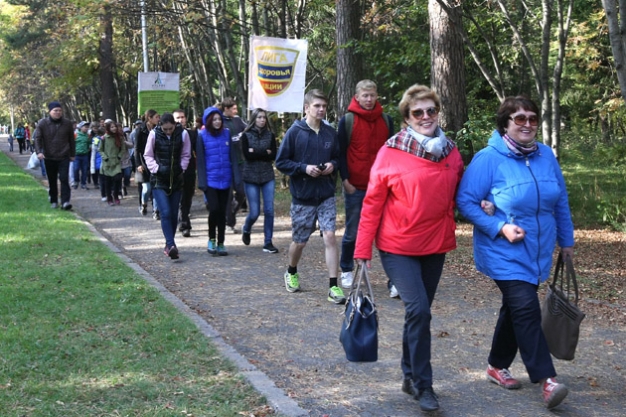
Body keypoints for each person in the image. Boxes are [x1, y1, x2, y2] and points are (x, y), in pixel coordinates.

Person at [456, 96, 574, 410]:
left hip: (539, 251)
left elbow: (559, 201)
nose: (527, 124)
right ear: (505, 122)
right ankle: (546, 380)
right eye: (519, 118)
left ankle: (497, 364)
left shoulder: (546, 155)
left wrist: (568, 241)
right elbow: (466, 201)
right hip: (503, 250)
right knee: (525, 308)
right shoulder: (489, 158)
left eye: (532, 118)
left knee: (515, 308)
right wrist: (499, 227)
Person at [354, 84, 464, 411]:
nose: (426, 116)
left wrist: (484, 205)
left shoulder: (451, 152)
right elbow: (372, 204)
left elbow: (460, 192)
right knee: (419, 310)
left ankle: (408, 372)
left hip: (435, 243)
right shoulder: (390, 153)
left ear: (438, 112)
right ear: (407, 118)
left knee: (418, 314)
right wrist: (361, 251)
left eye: (431, 110)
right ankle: (423, 384)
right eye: (418, 112)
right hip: (397, 245)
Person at [275, 89, 345, 304]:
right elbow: (281, 162)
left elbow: (339, 157)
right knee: (300, 242)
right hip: (303, 196)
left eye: (324, 106)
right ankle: (291, 271)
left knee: (330, 237)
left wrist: (332, 165)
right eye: (317, 106)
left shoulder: (329, 132)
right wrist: (304, 168)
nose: (321, 109)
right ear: (306, 108)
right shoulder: (295, 132)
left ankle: (334, 286)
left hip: (325, 194)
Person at [337, 79, 394, 294]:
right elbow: (340, 152)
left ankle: (394, 280)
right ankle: (346, 269)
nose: (369, 99)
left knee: (387, 233)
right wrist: (345, 180)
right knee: (353, 231)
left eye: (372, 95)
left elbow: (392, 154)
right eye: (365, 96)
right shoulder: (348, 121)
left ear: (376, 95)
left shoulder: (386, 121)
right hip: (356, 186)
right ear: (357, 97)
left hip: (381, 187)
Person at [144, 112, 191, 260]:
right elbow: (148, 155)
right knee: (165, 212)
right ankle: (171, 245)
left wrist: (182, 168)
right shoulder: (153, 134)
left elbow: (186, 154)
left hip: (176, 179)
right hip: (159, 180)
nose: (168, 132)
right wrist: (156, 168)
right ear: (160, 126)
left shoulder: (183, 134)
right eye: (165, 129)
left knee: (173, 213)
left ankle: (168, 243)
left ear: (175, 125)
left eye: (170, 129)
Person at [196, 106, 240, 256]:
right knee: (214, 209)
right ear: (208, 121)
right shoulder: (202, 135)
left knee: (222, 212)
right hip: (210, 180)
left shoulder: (226, 134)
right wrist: (202, 182)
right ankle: (211, 239)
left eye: (219, 119)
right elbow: (200, 162)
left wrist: (236, 178)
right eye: (214, 119)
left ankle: (221, 242)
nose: (217, 122)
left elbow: (232, 157)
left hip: (225, 179)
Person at [240, 108, 279, 253]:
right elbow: (247, 155)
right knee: (255, 212)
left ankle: (268, 242)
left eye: (264, 117)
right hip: (250, 177)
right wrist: (264, 153)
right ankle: (247, 227)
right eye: (259, 117)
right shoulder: (246, 135)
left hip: (267, 176)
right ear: (254, 119)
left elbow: (273, 155)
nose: (262, 120)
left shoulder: (270, 135)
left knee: (269, 210)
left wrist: (255, 152)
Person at [34, 101, 76, 210]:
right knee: (52, 180)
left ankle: (65, 202)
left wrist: (72, 154)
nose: (58, 113)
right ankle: (54, 200)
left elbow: (71, 140)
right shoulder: (43, 123)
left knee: (64, 179)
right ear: (50, 112)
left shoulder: (67, 123)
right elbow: (37, 138)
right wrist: (39, 152)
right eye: (55, 111)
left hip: (64, 156)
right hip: (49, 156)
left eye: (60, 111)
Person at [221, 97, 247, 233]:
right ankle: (229, 223)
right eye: (234, 109)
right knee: (228, 194)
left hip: (240, 162)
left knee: (242, 191)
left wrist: (243, 135)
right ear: (226, 109)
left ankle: (232, 210)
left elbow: (247, 130)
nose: (236, 111)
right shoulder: (219, 121)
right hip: (226, 163)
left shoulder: (237, 120)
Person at [173, 109, 198, 238]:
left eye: (182, 117)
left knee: (187, 198)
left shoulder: (192, 134)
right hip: (173, 171)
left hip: (189, 171)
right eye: (177, 118)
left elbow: (197, 151)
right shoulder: (168, 134)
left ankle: (183, 219)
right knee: (179, 198)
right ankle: (184, 224)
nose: (180, 120)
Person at [135, 110, 160, 217]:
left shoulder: (158, 129)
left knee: (156, 187)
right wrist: (138, 164)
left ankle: (156, 210)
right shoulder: (140, 130)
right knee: (147, 188)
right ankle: (144, 204)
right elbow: (136, 149)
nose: (158, 119)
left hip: (156, 162)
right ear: (149, 118)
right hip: (143, 162)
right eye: (156, 117)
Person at [100, 120, 125, 206]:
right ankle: (109, 198)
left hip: (116, 162)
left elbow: (123, 149)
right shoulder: (104, 138)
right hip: (107, 163)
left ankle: (116, 196)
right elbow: (100, 149)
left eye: (115, 127)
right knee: (107, 182)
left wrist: (119, 156)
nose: (114, 128)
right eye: (112, 127)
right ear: (108, 128)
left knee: (118, 179)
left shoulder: (120, 137)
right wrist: (105, 157)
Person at [73, 121, 91, 190]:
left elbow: (89, 143)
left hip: (85, 155)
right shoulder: (75, 135)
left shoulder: (88, 136)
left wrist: (89, 146)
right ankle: (76, 181)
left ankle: (83, 183)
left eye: (87, 127)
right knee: (76, 169)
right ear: (80, 128)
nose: (86, 128)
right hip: (76, 155)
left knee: (84, 170)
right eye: (85, 127)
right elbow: (72, 144)